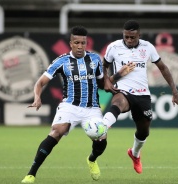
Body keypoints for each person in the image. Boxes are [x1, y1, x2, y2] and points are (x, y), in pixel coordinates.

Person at [21, 26, 136, 183]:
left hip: (92, 108)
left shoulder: (95, 59)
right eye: (77, 43)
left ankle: (92, 159)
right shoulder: (61, 61)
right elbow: (40, 82)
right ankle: (31, 174)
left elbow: (104, 85)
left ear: (86, 43)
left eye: (83, 43)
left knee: (101, 139)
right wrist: (37, 97)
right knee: (57, 131)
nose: (80, 46)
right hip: (70, 105)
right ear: (71, 43)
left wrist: (119, 74)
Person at [102, 20, 178, 174]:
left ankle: (135, 154)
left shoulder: (147, 47)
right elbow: (104, 66)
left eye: (132, 37)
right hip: (123, 90)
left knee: (144, 132)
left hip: (142, 94)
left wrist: (175, 92)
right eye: (126, 37)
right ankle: (102, 127)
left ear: (139, 35)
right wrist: (108, 81)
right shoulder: (114, 47)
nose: (128, 40)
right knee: (118, 103)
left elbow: (163, 68)